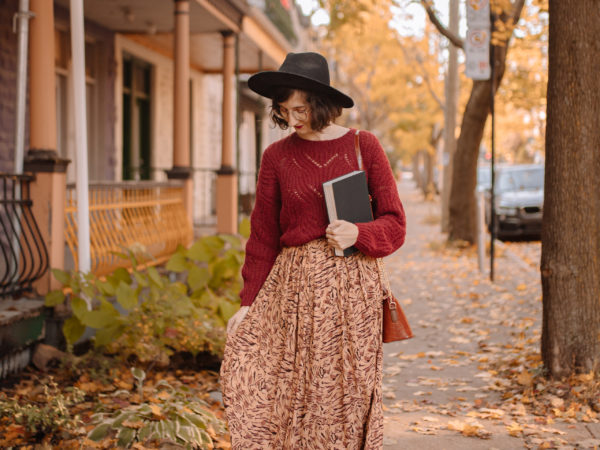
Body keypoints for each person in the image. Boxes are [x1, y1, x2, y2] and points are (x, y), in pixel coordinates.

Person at [220, 52, 406, 449]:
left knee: (351, 386)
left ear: (322, 105)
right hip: (296, 288)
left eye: (301, 109)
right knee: (293, 385)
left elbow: (395, 222)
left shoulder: (364, 146)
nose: (292, 119)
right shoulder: (276, 156)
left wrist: (358, 232)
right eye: (284, 110)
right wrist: (248, 302)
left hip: (355, 286)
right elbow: (263, 236)